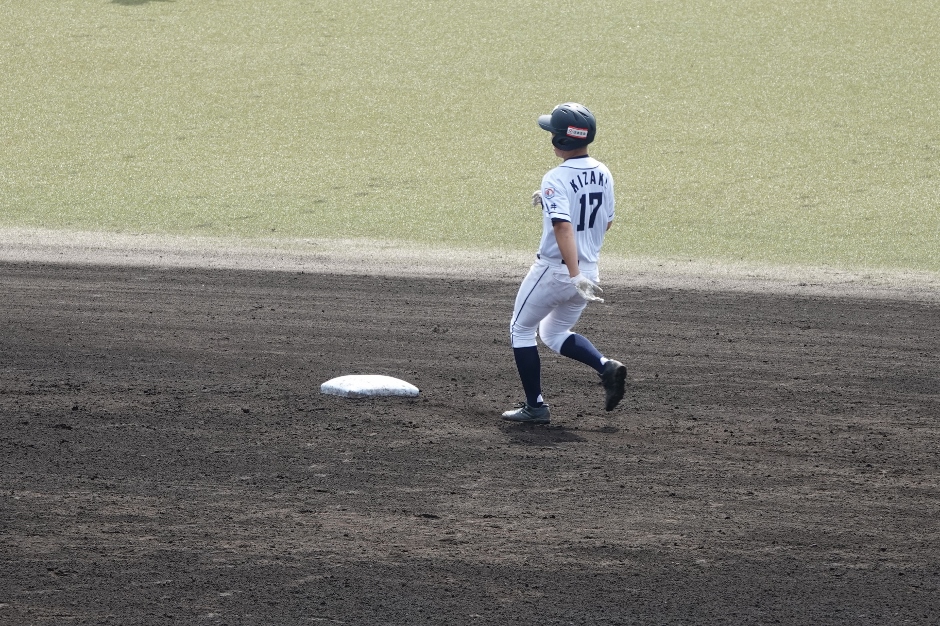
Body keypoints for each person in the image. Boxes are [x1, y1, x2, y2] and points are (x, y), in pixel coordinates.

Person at [503, 102, 627, 425]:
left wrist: (572, 274)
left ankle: (535, 407)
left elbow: (563, 227)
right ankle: (605, 367)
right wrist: (581, 273)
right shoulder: (604, 172)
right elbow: (606, 222)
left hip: (558, 272)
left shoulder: (555, 177)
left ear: (562, 140)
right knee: (554, 332)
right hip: (590, 273)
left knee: (520, 329)